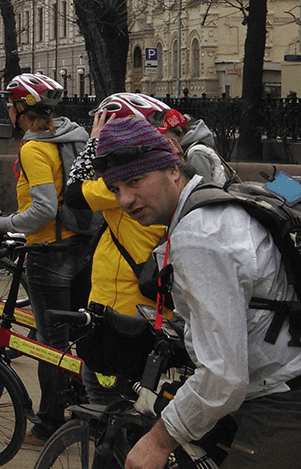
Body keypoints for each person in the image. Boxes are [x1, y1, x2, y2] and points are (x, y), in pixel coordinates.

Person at [99, 116, 301, 469]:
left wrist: (159, 441)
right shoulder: (214, 201)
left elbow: (224, 377)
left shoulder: (199, 235)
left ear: (173, 171)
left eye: (135, 181)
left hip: (289, 402)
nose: (126, 199)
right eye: (115, 189)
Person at [0, 73, 92, 447]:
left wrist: (5, 222)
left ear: (21, 110)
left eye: (9, 106)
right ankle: (88, 406)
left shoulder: (34, 148)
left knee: (50, 344)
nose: (7, 112)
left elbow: (44, 208)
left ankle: (47, 425)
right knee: (81, 334)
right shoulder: (75, 135)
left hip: (48, 253)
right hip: (83, 247)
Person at [61, 93, 174, 400]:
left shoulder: (120, 185)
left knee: (105, 406)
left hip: (120, 314)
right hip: (158, 309)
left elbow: (72, 194)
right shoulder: (171, 174)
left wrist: (94, 144)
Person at [158, 108, 231, 184]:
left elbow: (202, 189)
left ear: (178, 130)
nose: (163, 138)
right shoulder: (186, 149)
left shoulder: (196, 154)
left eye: (164, 133)